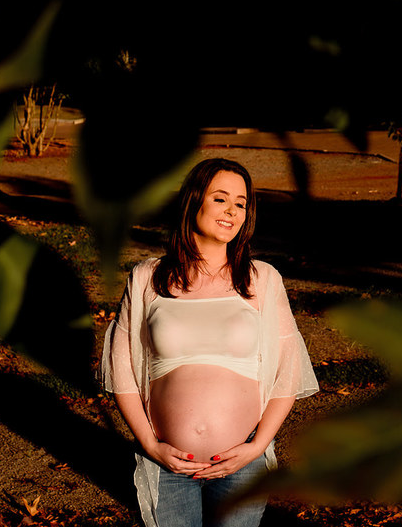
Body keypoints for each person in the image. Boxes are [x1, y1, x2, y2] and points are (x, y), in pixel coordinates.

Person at [101, 157, 319, 527]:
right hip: (166, 461)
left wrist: (255, 446)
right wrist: (152, 447)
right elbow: (121, 371)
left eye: (241, 203)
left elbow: (288, 368)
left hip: (243, 461)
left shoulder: (261, 279)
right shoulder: (147, 278)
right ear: (194, 202)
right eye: (220, 199)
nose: (232, 211)